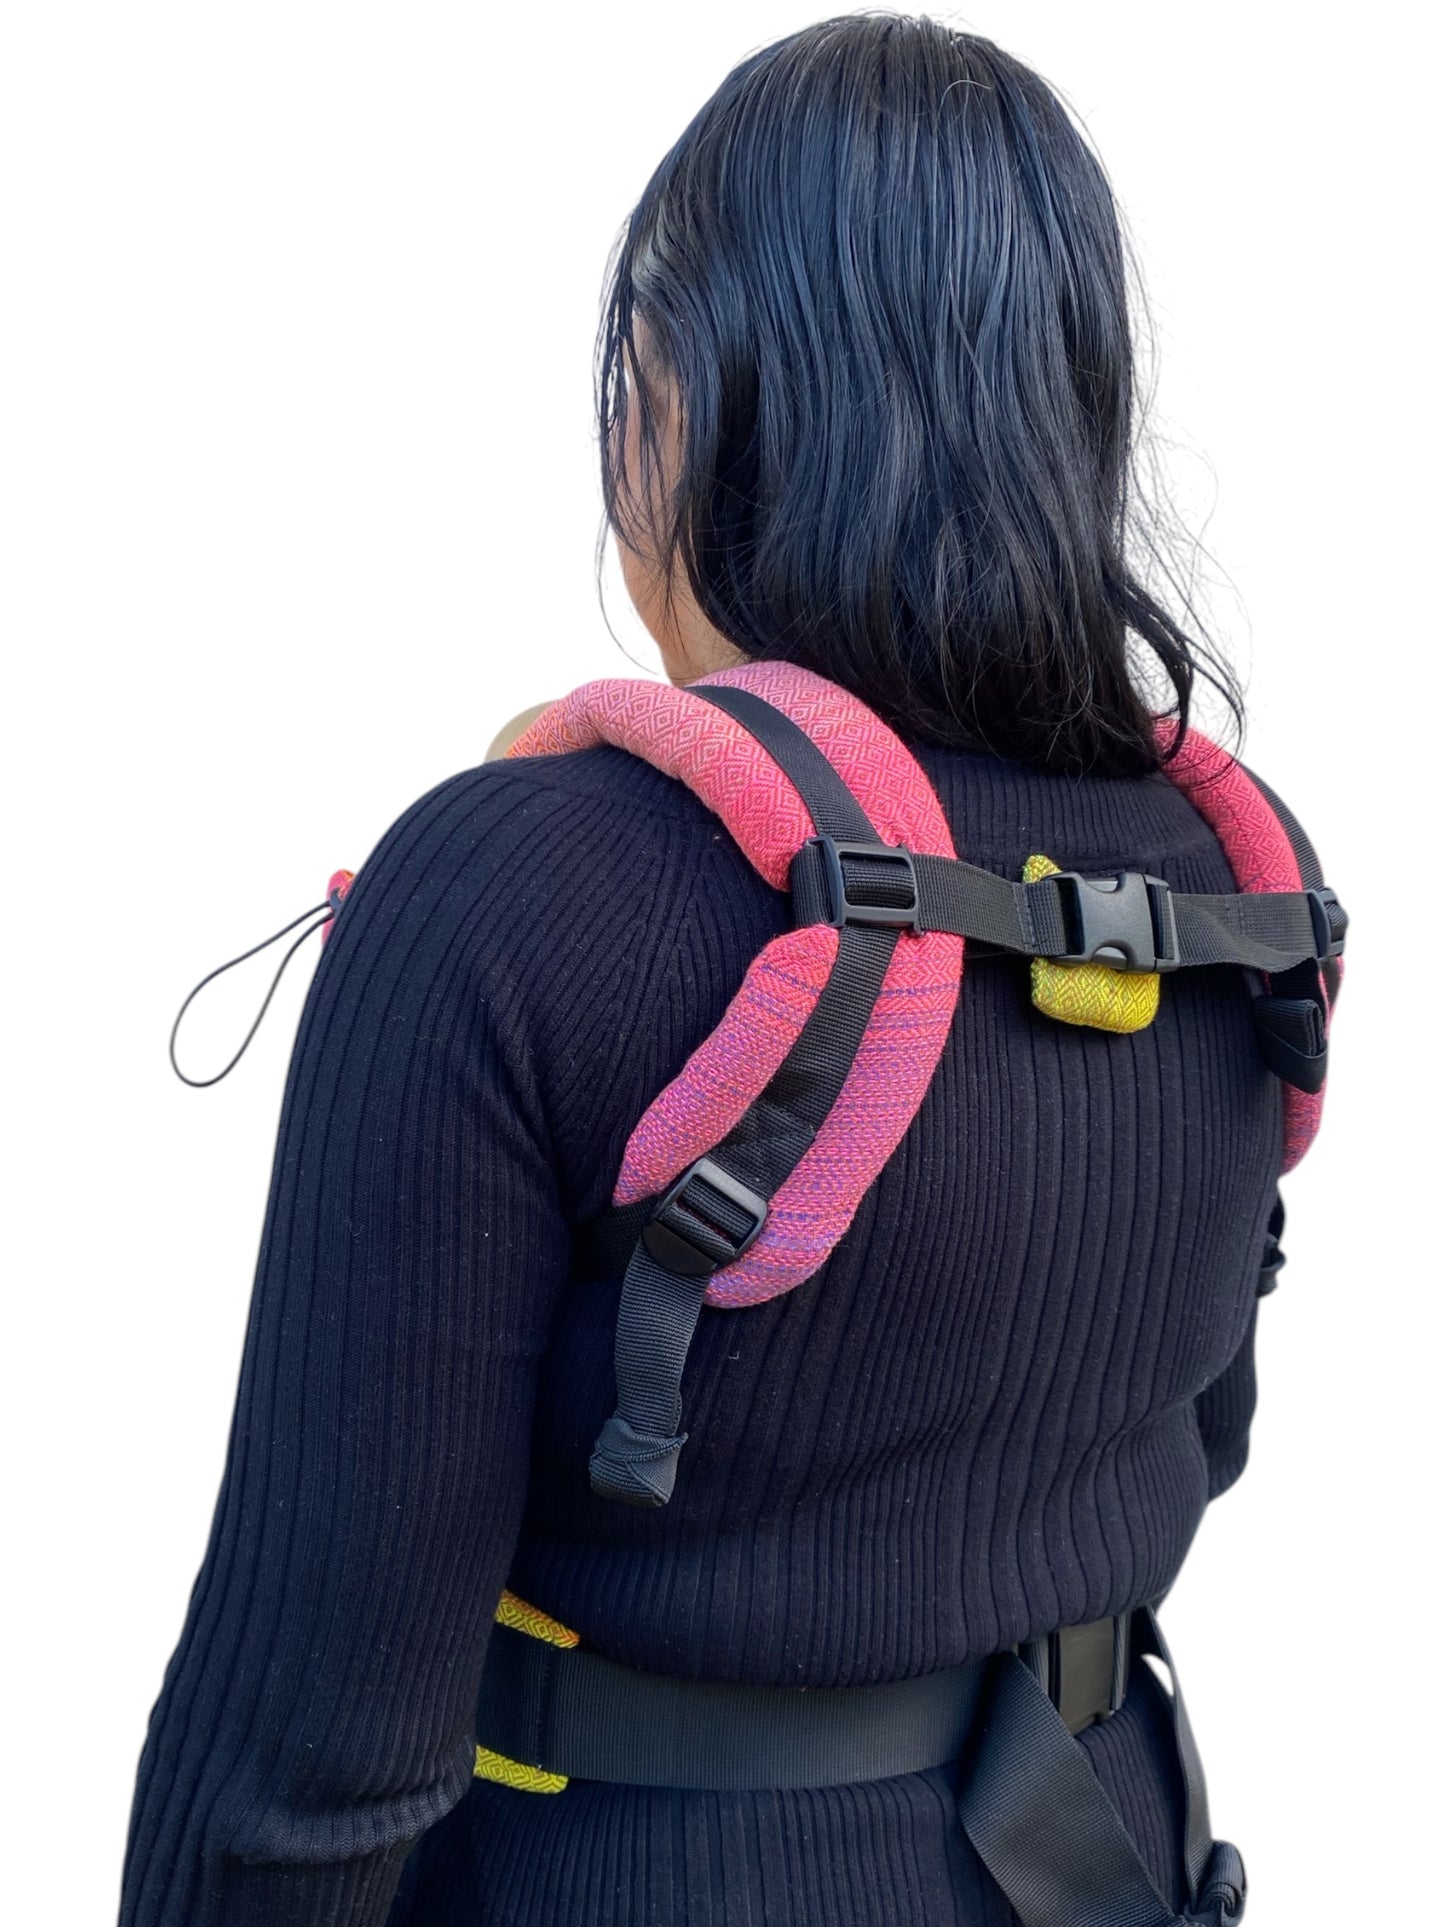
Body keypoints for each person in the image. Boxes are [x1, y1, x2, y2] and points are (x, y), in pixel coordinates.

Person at [118, 16, 1336, 1925]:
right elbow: (1203, 1440)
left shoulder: (509, 890)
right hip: (1107, 1859)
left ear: (682, 389)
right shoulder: (1242, 899)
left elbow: (305, 1759)